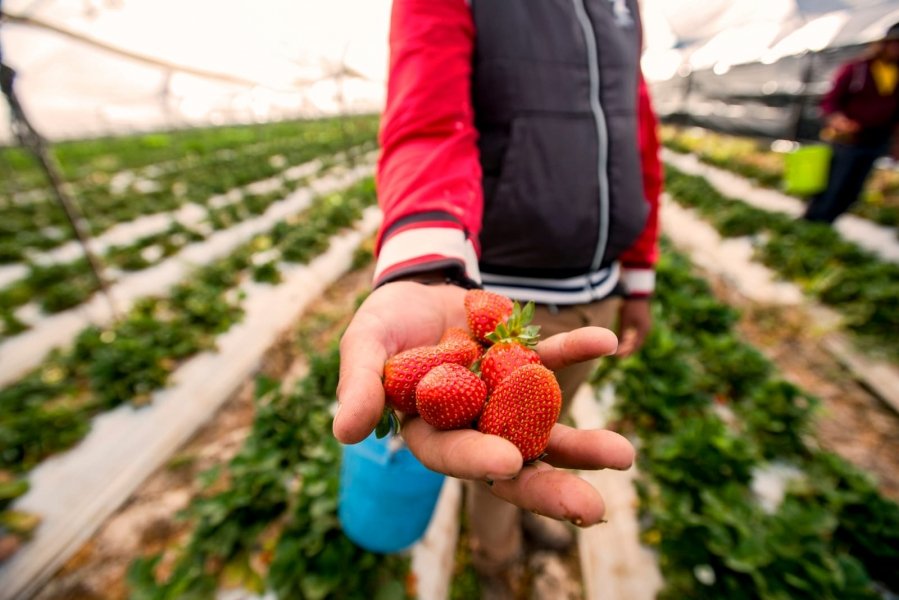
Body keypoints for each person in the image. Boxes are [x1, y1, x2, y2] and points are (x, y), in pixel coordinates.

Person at [334, 0, 662, 595]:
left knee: (541, 426)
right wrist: (426, 268)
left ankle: (528, 525)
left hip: (599, 291)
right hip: (495, 293)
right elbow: (429, 121)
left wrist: (638, 273)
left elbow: (635, 135)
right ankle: (495, 556)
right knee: (495, 455)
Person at [803, 21, 899, 224]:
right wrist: (839, 119)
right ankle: (812, 221)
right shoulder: (857, 69)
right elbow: (830, 101)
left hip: (876, 139)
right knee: (834, 184)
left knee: (853, 189)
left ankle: (827, 223)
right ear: (885, 44)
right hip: (849, 138)